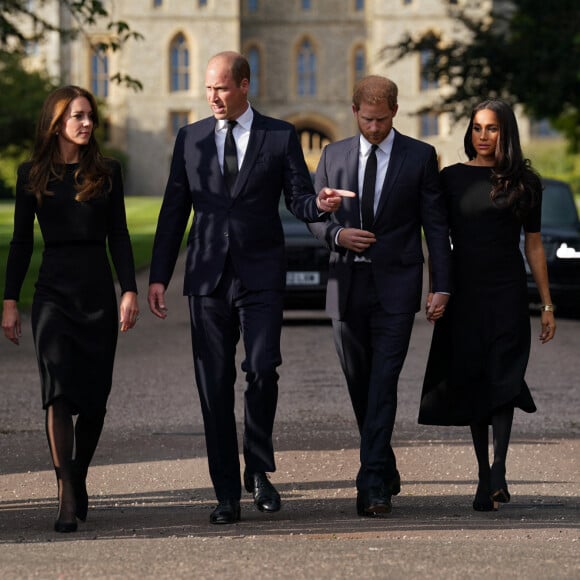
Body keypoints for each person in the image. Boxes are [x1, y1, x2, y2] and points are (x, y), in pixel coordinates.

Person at [148, 51, 349, 525]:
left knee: (262, 369)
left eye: (220, 88)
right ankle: (224, 493)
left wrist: (319, 205)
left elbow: (298, 197)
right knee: (213, 385)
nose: (212, 97)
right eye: (208, 89)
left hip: (260, 274)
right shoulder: (190, 137)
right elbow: (174, 209)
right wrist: (158, 275)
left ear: (243, 85)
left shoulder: (279, 136)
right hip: (206, 277)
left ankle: (257, 468)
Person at [308, 75, 451, 517]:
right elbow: (311, 212)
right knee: (360, 384)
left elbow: (436, 225)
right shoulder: (332, 155)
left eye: (383, 120)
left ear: (395, 112)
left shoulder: (420, 156)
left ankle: (371, 485)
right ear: (355, 112)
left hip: (396, 288)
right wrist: (335, 232)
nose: (374, 128)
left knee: (384, 383)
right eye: (368, 119)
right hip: (345, 285)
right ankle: (383, 463)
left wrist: (441, 284)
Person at [2, 86, 139, 533]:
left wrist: (129, 289)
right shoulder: (31, 175)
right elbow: (22, 244)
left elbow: (119, 234)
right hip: (52, 297)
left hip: (97, 292)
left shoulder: (107, 172)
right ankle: (65, 495)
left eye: (90, 116)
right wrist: (9, 301)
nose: (86, 123)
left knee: (95, 401)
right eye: (77, 116)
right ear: (57, 121)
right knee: (58, 391)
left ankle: (77, 474)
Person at [418, 99, 556, 511]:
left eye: (492, 128)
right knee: (475, 378)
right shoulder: (451, 179)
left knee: (504, 378)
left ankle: (499, 469)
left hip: (507, 291)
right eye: (477, 127)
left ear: (505, 133)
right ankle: (483, 476)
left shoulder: (525, 182)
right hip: (465, 293)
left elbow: (533, 245)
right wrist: (437, 288)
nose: (483, 136)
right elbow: (436, 238)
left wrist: (547, 305)